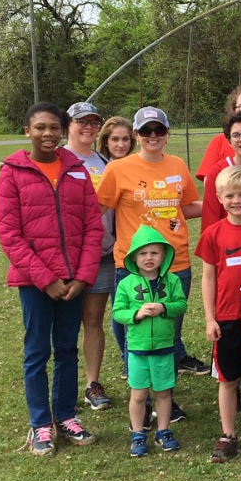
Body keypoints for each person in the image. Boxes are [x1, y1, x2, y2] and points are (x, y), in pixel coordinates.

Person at [0, 102, 104, 456]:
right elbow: (9, 234)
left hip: (74, 282)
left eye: (54, 127)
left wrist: (83, 276)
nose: (47, 133)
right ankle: (41, 423)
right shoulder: (12, 172)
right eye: (40, 127)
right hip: (35, 283)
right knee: (37, 352)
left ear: (62, 130)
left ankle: (66, 416)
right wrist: (45, 279)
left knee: (67, 350)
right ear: (27, 131)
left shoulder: (76, 170)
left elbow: (92, 227)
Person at [97, 106, 207, 423]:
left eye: (159, 130)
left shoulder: (177, 165)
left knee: (167, 333)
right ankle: (142, 400)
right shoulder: (118, 169)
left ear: (167, 133)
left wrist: (224, 204)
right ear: (137, 135)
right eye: (146, 131)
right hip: (133, 265)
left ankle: (164, 399)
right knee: (134, 332)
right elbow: (96, 209)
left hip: (175, 262)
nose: (153, 136)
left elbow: (185, 207)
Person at [194, 165, 241, 463]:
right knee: (227, 378)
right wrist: (210, 318)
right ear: (218, 197)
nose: (236, 200)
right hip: (226, 316)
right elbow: (208, 277)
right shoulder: (213, 233)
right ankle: (228, 434)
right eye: (230, 196)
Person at [113, 225, 187, 457]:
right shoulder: (126, 284)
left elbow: (181, 304)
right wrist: (136, 314)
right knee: (138, 394)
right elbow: (117, 312)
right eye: (143, 253)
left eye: (154, 253)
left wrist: (164, 307)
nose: (149, 258)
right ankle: (138, 434)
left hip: (165, 348)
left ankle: (163, 431)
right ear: (134, 257)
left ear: (163, 256)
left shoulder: (172, 281)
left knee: (164, 393)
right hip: (137, 349)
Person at [63, 102, 114, 410]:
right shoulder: (59, 159)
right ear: (68, 125)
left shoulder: (104, 162)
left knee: (93, 319)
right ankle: (64, 385)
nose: (88, 127)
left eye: (94, 122)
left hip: (103, 254)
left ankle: (92, 383)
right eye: (81, 121)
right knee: (66, 323)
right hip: (69, 256)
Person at [96, 116, 136, 380]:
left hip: (129, 245)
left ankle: (133, 356)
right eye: (115, 139)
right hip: (107, 245)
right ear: (106, 141)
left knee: (131, 301)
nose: (120, 145)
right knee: (118, 304)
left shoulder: (135, 166)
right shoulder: (103, 168)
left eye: (125, 139)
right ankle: (126, 356)